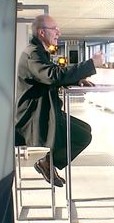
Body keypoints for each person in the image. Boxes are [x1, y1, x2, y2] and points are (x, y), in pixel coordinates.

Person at [15, 14, 103, 187]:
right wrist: (90, 64)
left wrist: (76, 80)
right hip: (34, 117)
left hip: (45, 111)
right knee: (82, 135)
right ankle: (47, 162)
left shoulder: (39, 52)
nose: (58, 33)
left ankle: (48, 162)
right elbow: (52, 76)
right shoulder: (33, 54)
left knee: (85, 131)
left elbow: (51, 73)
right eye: (54, 29)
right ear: (41, 32)